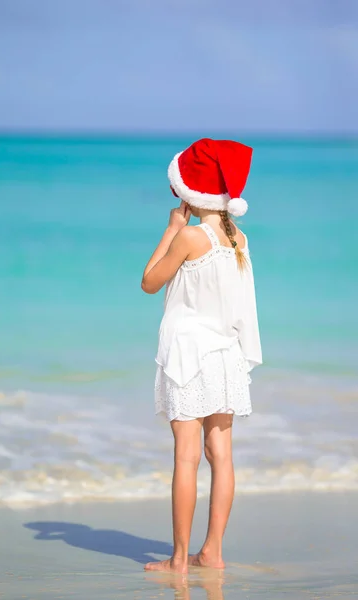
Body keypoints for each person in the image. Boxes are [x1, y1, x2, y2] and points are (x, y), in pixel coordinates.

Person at [141, 138, 262, 574]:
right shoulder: (238, 238)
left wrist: (173, 227)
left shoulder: (191, 237)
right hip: (225, 356)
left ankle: (178, 558)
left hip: (190, 357)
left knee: (187, 457)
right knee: (222, 455)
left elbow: (150, 282)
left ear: (190, 192)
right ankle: (212, 551)